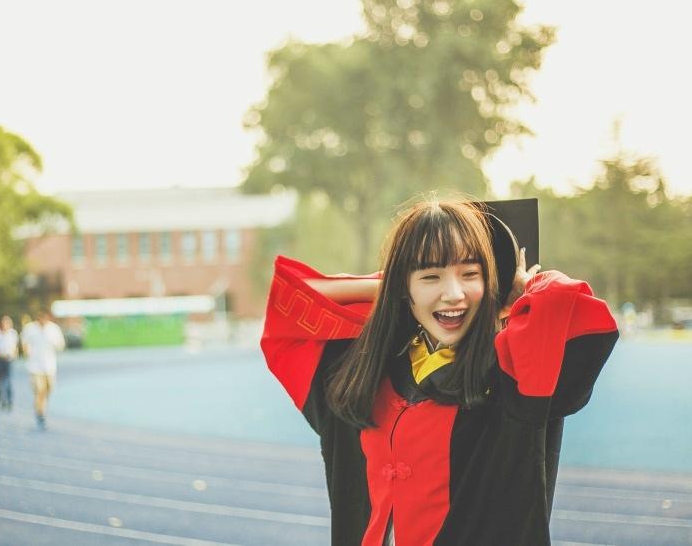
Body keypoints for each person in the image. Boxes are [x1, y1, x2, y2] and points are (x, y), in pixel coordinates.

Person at [260, 197, 618, 545]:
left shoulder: (511, 375)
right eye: (431, 276)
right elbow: (287, 306)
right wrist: (391, 287)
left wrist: (518, 289)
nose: (453, 294)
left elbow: (580, 314)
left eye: (470, 274)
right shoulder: (363, 372)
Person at [21, 308, 65, 430]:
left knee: (48, 390)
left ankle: (41, 407)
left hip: (49, 366)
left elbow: (60, 344)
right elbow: (24, 342)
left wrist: (56, 345)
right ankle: (40, 413)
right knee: (39, 390)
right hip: (35, 366)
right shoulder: (30, 329)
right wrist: (27, 351)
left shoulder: (53, 329)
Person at [0, 315, 18, 411]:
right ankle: (0, 397)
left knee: (7, 380)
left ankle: (9, 401)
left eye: (7, 323)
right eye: (4, 323)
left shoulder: (13, 334)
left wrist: (14, 354)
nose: (6, 325)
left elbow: (15, 346)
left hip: (8, 360)